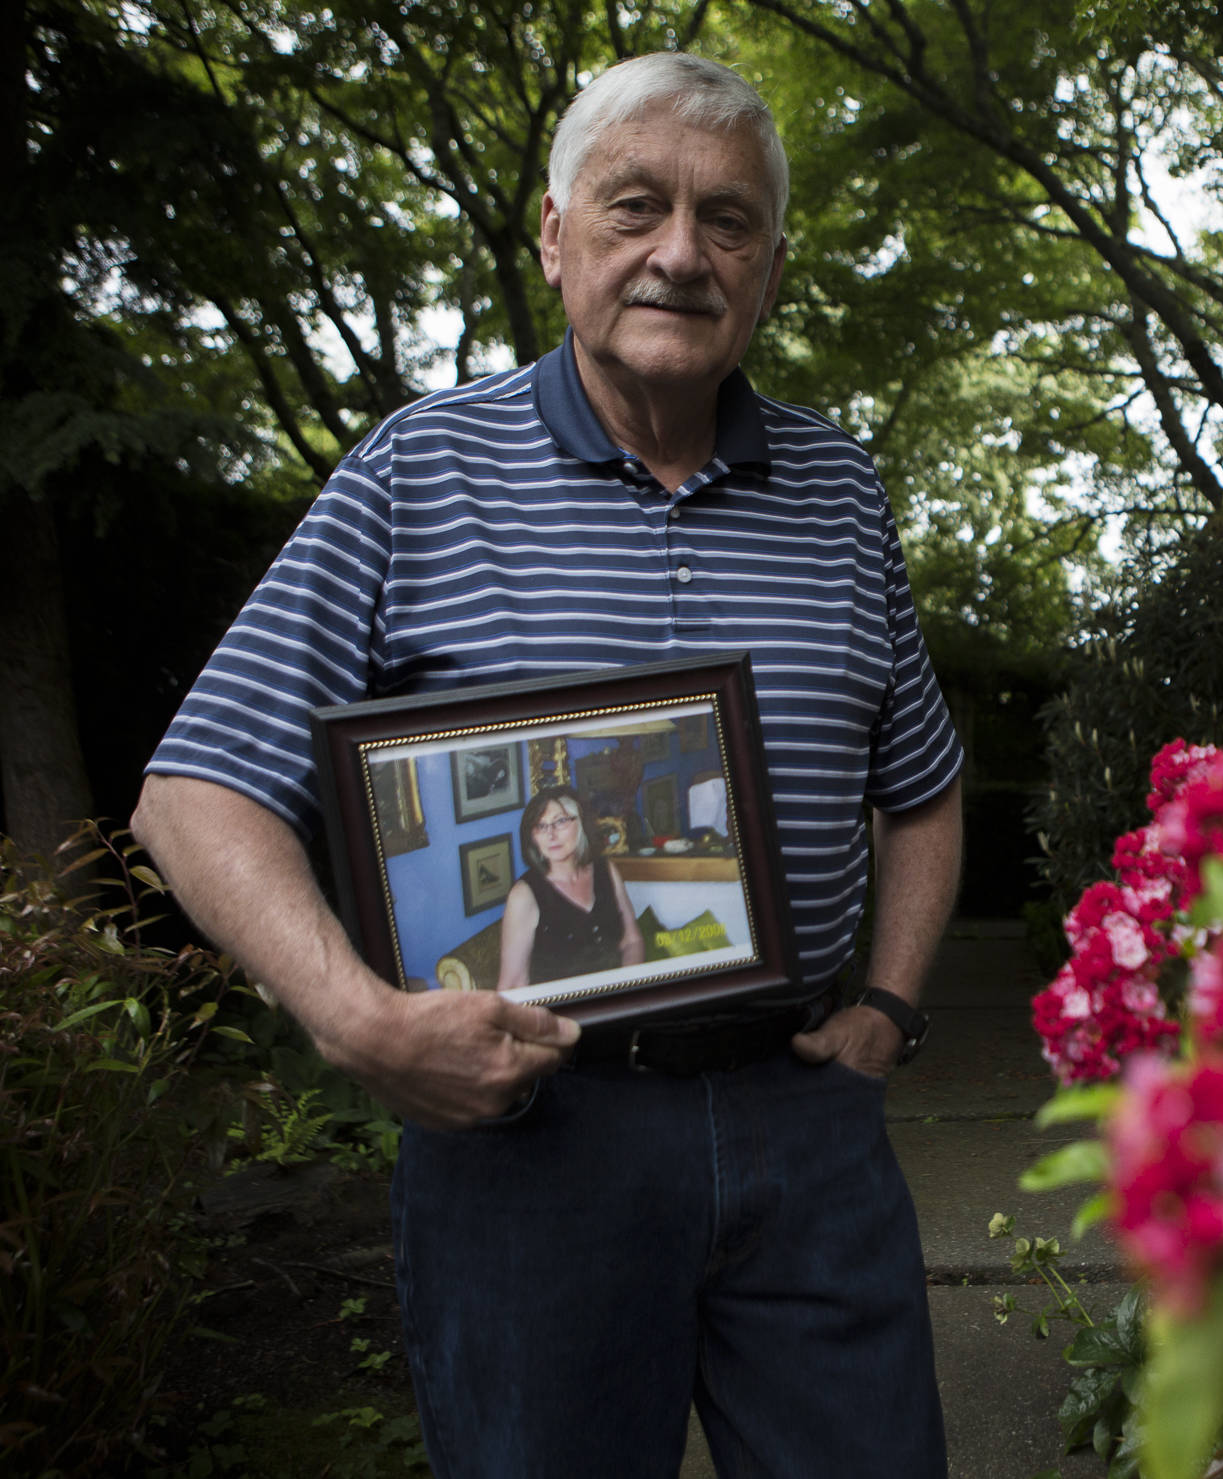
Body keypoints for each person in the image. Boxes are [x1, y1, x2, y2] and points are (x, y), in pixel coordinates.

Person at [130, 51, 961, 1479]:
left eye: (730, 220)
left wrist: (887, 999)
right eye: (636, 206)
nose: (681, 254)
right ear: (556, 235)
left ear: (771, 264)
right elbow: (196, 783)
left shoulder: (840, 488)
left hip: (805, 1124)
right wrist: (352, 1017)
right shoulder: (414, 470)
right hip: (530, 1144)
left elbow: (926, 781)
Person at [497, 787, 645, 990]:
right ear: (532, 837)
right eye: (540, 826)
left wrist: (627, 988)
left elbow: (632, 940)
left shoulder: (606, 869)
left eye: (560, 821)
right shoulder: (524, 895)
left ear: (582, 824)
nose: (551, 834)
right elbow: (513, 984)